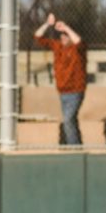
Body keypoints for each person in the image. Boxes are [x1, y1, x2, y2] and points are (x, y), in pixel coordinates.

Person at [34, 13, 87, 145]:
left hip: (76, 91)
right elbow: (38, 37)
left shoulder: (77, 48)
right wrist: (47, 24)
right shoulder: (57, 46)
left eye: (65, 36)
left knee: (68, 120)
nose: (63, 38)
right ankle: (77, 145)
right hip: (62, 91)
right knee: (71, 121)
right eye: (61, 35)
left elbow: (78, 41)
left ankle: (74, 149)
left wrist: (66, 28)